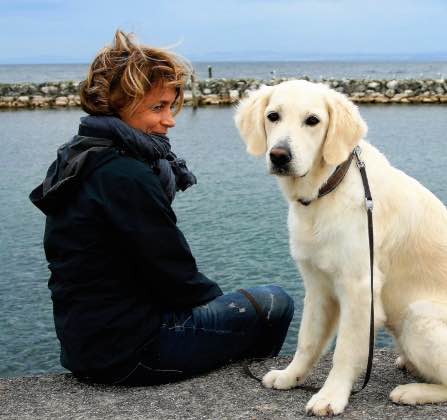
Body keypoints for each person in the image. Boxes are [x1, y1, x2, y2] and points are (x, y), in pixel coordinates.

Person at [29, 30, 294, 385]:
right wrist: (219, 308)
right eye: (157, 107)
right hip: (133, 352)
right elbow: (178, 278)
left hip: (84, 345)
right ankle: (245, 387)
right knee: (275, 302)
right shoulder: (125, 174)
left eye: (170, 106)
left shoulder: (77, 155)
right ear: (117, 104)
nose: (169, 120)